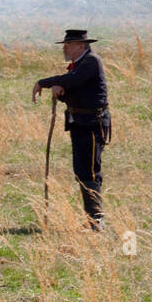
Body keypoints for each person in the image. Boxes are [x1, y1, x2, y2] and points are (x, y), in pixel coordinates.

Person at [33, 28, 110, 231]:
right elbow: (74, 89)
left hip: (92, 123)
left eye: (69, 44)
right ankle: (92, 219)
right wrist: (60, 92)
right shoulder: (78, 65)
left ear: (81, 46)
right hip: (79, 123)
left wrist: (45, 83)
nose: (65, 48)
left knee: (91, 172)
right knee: (81, 171)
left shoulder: (92, 61)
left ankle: (96, 221)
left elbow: (72, 81)